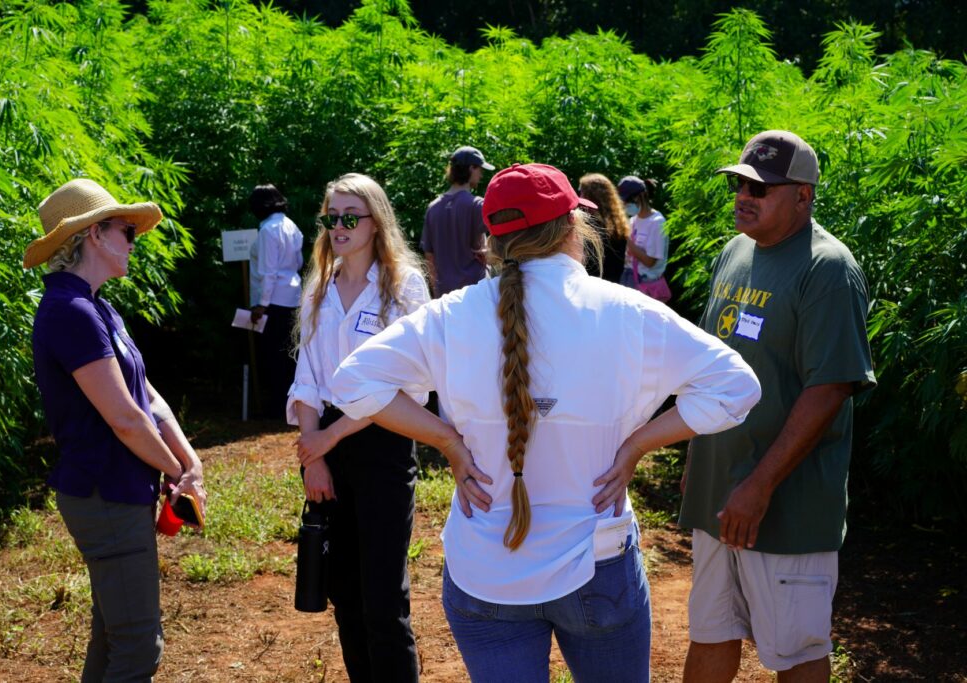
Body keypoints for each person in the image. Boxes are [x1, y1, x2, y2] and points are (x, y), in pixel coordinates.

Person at [329, 163, 762, 683]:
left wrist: (447, 441)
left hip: (484, 568)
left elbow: (352, 383)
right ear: (570, 228)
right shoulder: (626, 311)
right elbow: (737, 388)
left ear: (490, 240)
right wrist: (637, 446)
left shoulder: (450, 316)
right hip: (596, 558)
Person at [678, 130, 876, 682]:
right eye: (740, 183)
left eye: (761, 188)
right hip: (719, 493)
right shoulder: (735, 251)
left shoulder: (827, 269)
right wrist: (701, 460)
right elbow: (714, 362)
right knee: (710, 631)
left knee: (795, 652)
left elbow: (829, 388)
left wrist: (759, 486)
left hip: (785, 506)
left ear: (803, 196)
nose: (745, 195)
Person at [23, 178, 207, 681]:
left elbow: (147, 396)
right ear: (94, 235)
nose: (134, 240)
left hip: (117, 490)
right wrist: (176, 474)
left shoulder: (96, 305)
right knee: (137, 647)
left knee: (113, 636)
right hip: (104, 494)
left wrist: (189, 463)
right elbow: (125, 419)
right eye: (128, 231)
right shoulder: (70, 311)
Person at [287, 173, 429, 682]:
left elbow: (409, 384)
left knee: (383, 601)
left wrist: (330, 437)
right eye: (332, 218)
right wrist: (316, 455)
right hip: (327, 444)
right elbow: (306, 380)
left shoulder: (403, 287)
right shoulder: (319, 289)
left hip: (384, 442)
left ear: (376, 223)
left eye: (351, 217)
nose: (339, 227)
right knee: (344, 592)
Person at [248, 183, 304, 418]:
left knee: (273, 355)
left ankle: (277, 407)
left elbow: (268, 272)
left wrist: (262, 304)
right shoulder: (292, 226)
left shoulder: (268, 230)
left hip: (273, 300)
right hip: (293, 295)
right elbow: (298, 263)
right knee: (289, 353)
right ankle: (291, 405)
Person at [420, 145, 494, 297]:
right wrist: (491, 252)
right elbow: (503, 239)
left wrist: (436, 293)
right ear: (471, 168)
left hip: (445, 295)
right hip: (476, 291)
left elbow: (429, 257)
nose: (481, 175)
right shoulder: (477, 205)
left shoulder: (433, 208)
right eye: (480, 169)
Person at [618, 176, 671, 301]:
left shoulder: (657, 223)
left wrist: (626, 238)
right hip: (629, 279)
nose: (625, 206)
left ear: (640, 196)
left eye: (627, 202)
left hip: (646, 285)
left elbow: (650, 262)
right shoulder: (633, 221)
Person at [578, 172, 630, 283]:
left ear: (591, 196)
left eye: (582, 192)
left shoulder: (590, 226)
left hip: (592, 287)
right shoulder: (618, 225)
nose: (579, 197)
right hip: (613, 286)